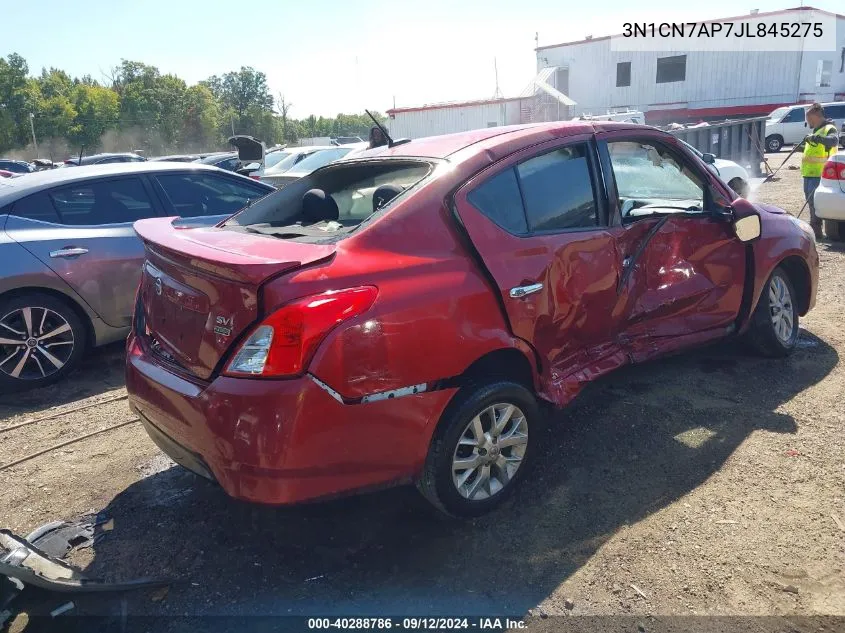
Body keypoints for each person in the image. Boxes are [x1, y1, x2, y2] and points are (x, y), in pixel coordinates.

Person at [801, 103, 839, 239]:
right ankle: (815, 229)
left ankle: (816, 230)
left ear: (816, 116)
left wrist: (817, 138)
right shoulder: (816, 131)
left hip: (820, 174)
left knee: (816, 203)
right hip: (808, 174)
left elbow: (833, 141)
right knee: (811, 203)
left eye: (809, 119)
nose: (807, 122)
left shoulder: (829, 128)